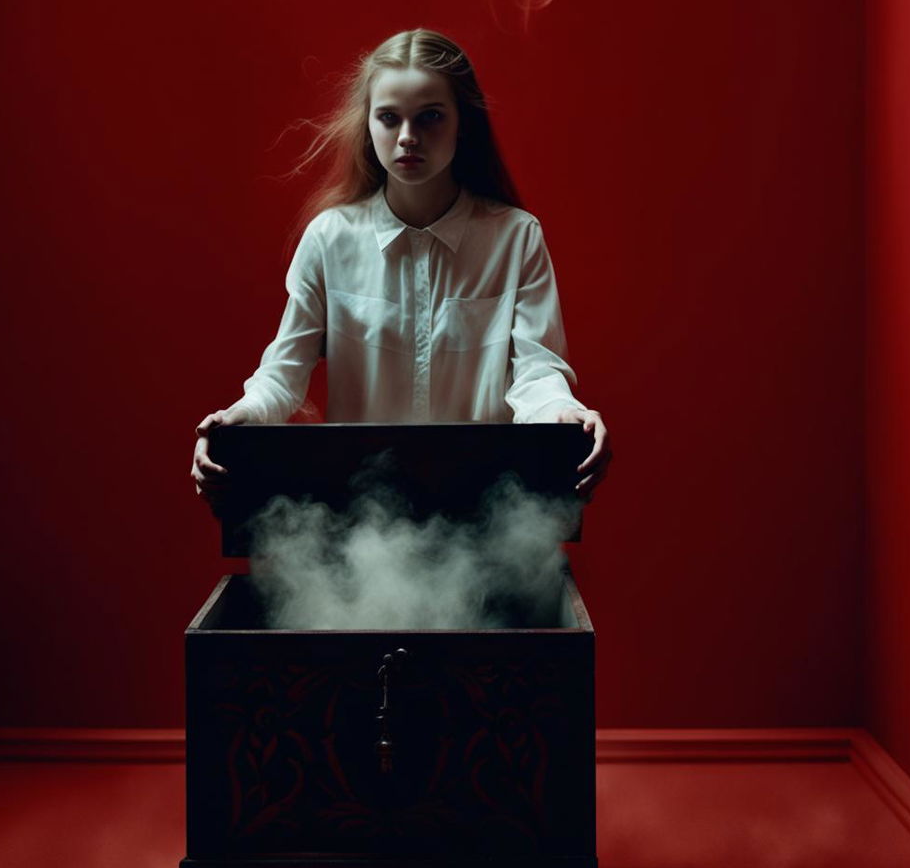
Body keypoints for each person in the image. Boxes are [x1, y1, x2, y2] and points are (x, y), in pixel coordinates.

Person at [192, 28, 611, 513]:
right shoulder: (330, 239)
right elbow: (284, 374)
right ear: (368, 125)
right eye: (389, 118)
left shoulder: (515, 238)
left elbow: (537, 374)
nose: (408, 137)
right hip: (356, 515)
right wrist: (237, 418)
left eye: (430, 116)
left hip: (484, 512)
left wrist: (568, 417)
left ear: (462, 124)